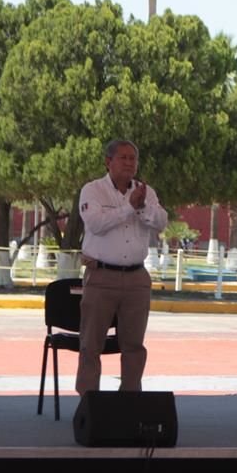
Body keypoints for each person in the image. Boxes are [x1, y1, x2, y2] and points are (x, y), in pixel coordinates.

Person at [76, 139, 168, 395]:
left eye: (133, 159)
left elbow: (161, 222)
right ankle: (89, 404)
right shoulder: (92, 190)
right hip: (101, 276)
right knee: (91, 345)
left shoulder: (145, 192)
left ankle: (130, 402)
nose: (129, 163)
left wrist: (140, 208)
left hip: (137, 278)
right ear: (108, 162)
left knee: (134, 346)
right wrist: (129, 207)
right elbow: (96, 224)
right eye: (123, 158)